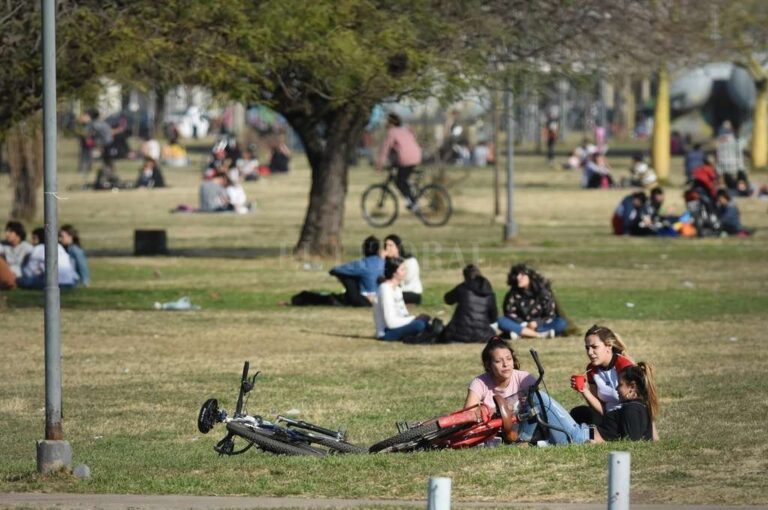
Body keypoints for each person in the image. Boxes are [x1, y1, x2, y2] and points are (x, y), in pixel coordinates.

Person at [464, 338, 588, 445]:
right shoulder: (480, 382)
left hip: (527, 430)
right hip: (499, 434)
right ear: (488, 365)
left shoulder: (525, 379)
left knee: (535, 399)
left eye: (508, 359)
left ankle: (524, 441)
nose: (505, 364)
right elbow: (468, 415)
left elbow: (541, 411)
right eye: (498, 361)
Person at [290, 236, 384, 307]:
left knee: (346, 277)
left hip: (363, 299)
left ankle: (301, 299)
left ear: (364, 249)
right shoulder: (383, 262)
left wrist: (336, 273)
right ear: (378, 250)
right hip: (380, 297)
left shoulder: (362, 264)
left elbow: (337, 270)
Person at [591, 363, 659, 442]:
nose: (616, 388)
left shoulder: (632, 409)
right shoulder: (637, 406)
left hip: (585, 435)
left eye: (620, 385)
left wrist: (597, 441)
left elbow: (631, 441)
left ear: (632, 387)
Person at [497, 264, 567, 339]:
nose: (518, 277)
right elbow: (509, 313)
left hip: (540, 325)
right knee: (501, 321)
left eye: (522, 275)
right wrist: (524, 324)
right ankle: (539, 335)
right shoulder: (512, 293)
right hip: (521, 325)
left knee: (561, 323)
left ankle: (522, 334)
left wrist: (537, 323)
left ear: (530, 277)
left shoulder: (543, 292)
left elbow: (550, 314)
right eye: (517, 275)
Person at [373, 257, 431, 341]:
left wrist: (415, 318)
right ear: (394, 273)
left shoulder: (397, 289)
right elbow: (390, 323)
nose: (405, 272)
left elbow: (404, 314)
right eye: (402, 269)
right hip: (386, 332)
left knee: (425, 321)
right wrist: (414, 319)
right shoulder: (385, 289)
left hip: (398, 327)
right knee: (419, 325)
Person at [441, 265, 497, 343]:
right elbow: (493, 318)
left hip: (458, 334)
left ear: (465, 276)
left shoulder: (462, 288)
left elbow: (447, 299)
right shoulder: (489, 293)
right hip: (483, 335)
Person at [376, 113, 422, 208]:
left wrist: (379, 164)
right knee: (403, 179)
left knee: (400, 181)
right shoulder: (405, 129)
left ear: (391, 123)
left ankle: (413, 202)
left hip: (406, 158)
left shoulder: (392, 132)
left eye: (387, 122)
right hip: (416, 156)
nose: (386, 124)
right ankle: (411, 200)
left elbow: (385, 149)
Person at [382, 234, 422, 304]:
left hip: (411, 292)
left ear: (398, 247)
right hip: (395, 291)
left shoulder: (410, 261)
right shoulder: (387, 262)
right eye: (386, 246)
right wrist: (381, 261)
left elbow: (407, 278)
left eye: (391, 246)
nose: (387, 248)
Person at [715, 121, 747, 190]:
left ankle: (724, 185)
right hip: (733, 165)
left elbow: (718, 154)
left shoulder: (720, 140)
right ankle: (738, 186)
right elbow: (740, 149)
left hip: (725, 165)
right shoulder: (735, 140)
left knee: (724, 179)